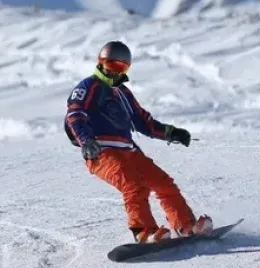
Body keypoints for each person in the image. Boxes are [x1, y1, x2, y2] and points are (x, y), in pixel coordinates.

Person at [64, 40, 212, 243]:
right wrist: (86, 141)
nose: (116, 72)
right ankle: (144, 232)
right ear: (102, 63)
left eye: (122, 67)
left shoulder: (123, 92)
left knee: (164, 184)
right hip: (101, 151)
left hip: (129, 151)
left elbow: (144, 122)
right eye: (112, 66)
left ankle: (185, 225)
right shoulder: (89, 86)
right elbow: (75, 113)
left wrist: (172, 133)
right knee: (134, 185)